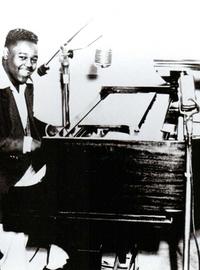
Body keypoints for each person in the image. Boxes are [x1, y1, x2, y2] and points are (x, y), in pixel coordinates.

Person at [0, 28, 68, 270]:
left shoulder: (26, 85)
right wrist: (32, 144)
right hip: (5, 176)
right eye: (22, 57)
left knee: (69, 171)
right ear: (5, 53)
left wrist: (50, 129)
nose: (28, 65)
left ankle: (56, 256)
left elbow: (27, 121)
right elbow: (2, 141)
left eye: (33, 59)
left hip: (22, 167)